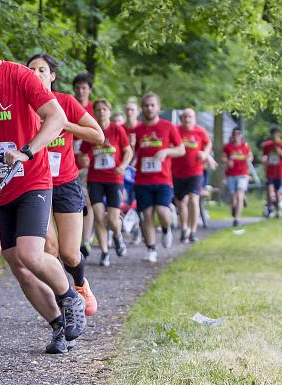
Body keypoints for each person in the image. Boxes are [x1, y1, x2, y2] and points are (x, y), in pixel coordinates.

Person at [0, 19, 86, 354]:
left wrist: (27, 150)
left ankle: (70, 297)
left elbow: (56, 118)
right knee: (17, 264)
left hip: (33, 178)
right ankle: (58, 328)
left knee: (30, 253)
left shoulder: (20, 76)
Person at [27, 53, 104, 316]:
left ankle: (81, 284)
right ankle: (66, 300)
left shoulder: (65, 102)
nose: (36, 73)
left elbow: (98, 135)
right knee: (48, 247)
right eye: (31, 69)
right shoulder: (22, 105)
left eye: (42, 70)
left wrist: (63, 123)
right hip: (35, 184)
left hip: (66, 183)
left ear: (52, 76)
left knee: (70, 254)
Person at [132, 93, 185, 263]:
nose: (149, 108)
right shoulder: (138, 129)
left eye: (152, 105)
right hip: (142, 179)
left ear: (158, 107)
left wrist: (166, 151)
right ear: (142, 108)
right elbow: (134, 153)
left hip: (163, 179)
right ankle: (151, 249)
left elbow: (181, 149)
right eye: (146, 105)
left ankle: (166, 228)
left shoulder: (168, 126)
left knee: (162, 210)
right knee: (146, 214)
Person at [81, 99, 133, 266]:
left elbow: (128, 151)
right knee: (97, 215)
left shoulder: (117, 130)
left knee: (112, 219)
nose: (102, 112)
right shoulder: (91, 131)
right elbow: (82, 153)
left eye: (105, 109)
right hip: (95, 179)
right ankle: (104, 252)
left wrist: (123, 166)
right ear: (94, 113)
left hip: (114, 179)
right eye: (98, 109)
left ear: (109, 112)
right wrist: (84, 160)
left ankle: (117, 236)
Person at [172, 109, 211, 243]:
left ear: (194, 119)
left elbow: (208, 144)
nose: (187, 119)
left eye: (190, 116)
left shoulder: (200, 131)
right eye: (185, 116)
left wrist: (205, 154)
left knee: (194, 199)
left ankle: (193, 231)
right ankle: (184, 229)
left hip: (195, 171)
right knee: (181, 203)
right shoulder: (175, 130)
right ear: (181, 119)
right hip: (177, 172)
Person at [72, 72, 97, 257]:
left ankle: (86, 240)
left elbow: (102, 137)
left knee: (87, 202)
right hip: (69, 162)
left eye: (84, 88)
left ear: (90, 90)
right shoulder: (66, 106)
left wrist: (87, 155)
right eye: (78, 88)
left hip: (89, 165)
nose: (81, 91)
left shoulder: (95, 110)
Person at [223, 127, 253, 227]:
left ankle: (237, 219)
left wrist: (248, 159)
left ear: (241, 135)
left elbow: (250, 156)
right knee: (233, 197)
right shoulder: (228, 147)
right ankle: (235, 207)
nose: (237, 136)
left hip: (243, 174)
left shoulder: (245, 146)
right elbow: (222, 157)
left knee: (239, 195)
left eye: (239, 133)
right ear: (232, 135)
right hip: (231, 174)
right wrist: (227, 161)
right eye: (235, 134)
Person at [261, 128, 282, 218]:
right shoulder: (267, 145)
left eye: (276, 134)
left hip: (279, 171)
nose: (275, 136)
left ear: (279, 134)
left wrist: (280, 152)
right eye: (273, 134)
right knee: (270, 191)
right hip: (270, 171)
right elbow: (264, 158)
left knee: (277, 191)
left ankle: (277, 210)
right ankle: (270, 207)